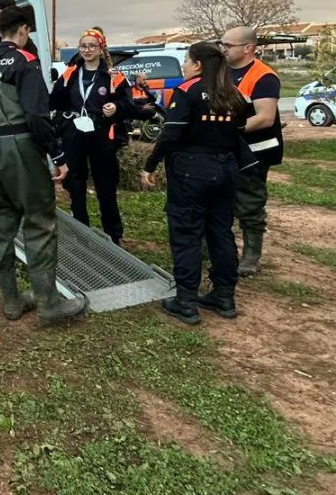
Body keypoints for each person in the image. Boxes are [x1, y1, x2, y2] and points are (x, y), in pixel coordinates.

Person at [0, 5, 86, 325]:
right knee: (39, 221)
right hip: (21, 147)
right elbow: (36, 115)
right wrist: (56, 154)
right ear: (23, 30)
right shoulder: (25, 62)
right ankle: (48, 303)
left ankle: (11, 301)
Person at [141, 41, 255, 324]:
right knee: (221, 232)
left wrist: (150, 165)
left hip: (192, 171)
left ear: (198, 64)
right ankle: (224, 296)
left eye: (187, 60)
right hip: (226, 169)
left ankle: (186, 301)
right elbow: (240, 130)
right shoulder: (233, 93)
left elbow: (170, 135)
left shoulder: (187, 91)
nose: (184, 65)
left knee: (186, 233)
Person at [48, 27, 137, 245]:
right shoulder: (70, 73)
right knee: (75, 185)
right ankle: (81, 231)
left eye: (92, 46)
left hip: (102, 134)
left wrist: (115, 107)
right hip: (74, 133)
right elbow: (55, 101)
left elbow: (129, 104)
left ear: (101, 48)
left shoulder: (113, 76)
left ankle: (113, 235)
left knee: (105, 185)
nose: (87, 50)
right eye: (83, 46)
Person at [219, 26, 283, 275]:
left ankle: (251, 256)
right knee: (220, 199)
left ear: (248, 48)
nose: (223, 49)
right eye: (222, 44)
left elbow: (265, 118)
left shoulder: (263, 77)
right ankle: (216, 247)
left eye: (228, 45)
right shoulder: (223, 73)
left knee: (249, 203)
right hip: (227, 150)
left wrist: (229, 129)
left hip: (255, 153)